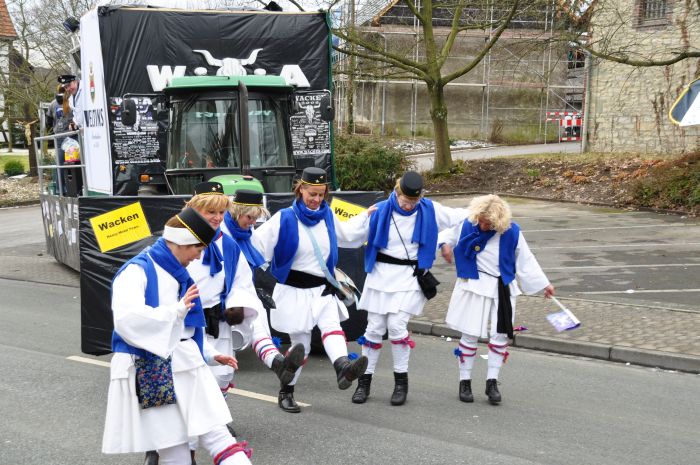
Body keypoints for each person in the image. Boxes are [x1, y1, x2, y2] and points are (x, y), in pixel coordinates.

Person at [102, 207, 253, 465]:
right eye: (198, 249)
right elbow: (127, 321)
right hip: (151, 370)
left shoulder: (179, 273)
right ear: (182, 242)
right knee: (174, 449)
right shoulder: (136, 271)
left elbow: (186, 332)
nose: (200, 256)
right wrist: (177, 310)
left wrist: (210, 354)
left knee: (217, 436)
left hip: (187, 365)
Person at [252, 167, 369, 413]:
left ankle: (343, 368)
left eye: (321, 194)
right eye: (312, 194)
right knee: (301, 344)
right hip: (294, 290)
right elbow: (256, 246)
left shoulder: (328, 216)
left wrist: (368, 216)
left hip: (322, 288)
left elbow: (348, 234)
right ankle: (286, 392)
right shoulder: (284, 218)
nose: (316, 199)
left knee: (332, 327)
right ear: (300, 190)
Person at [349, 171, 469, 406]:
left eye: (414, 201)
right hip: (380, 275)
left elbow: (461, 217)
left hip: (409, 277)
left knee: (396, 326)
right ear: (397, 192)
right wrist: (361, 217)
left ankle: (400, 383)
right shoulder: (380, 210)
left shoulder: (429, 209)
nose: (409, 205)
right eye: (405, 200)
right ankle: (364, 382)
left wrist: (447, 240)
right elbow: (350, 235)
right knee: (374, 329)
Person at [437, 194, 555, 405]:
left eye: (488, 224)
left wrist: (544, 284)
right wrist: (444, 245)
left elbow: (526, 260)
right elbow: (447, 235)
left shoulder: (512, 232)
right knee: (470, 333)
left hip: (502, 288)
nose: (483, 226)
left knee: (500, 335)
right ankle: (465, 382)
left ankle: (492, 382)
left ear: (498, 222)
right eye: (481, 221)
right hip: (473, 284)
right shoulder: (468, 224)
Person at [219, 189, 305, 398]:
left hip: (244, 291)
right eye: (249, 217)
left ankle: (278, 363)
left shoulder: (249, 235)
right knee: (221, 369)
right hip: (221, 297)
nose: (252, 223)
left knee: (258, 327)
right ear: (237, 211)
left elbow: (256, 263)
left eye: (255, 219)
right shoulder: (220, 233)